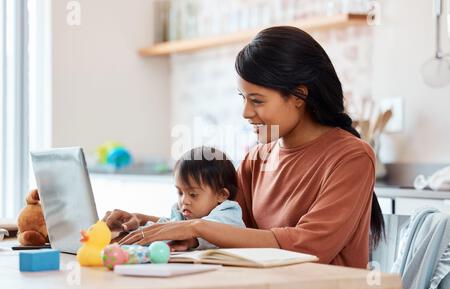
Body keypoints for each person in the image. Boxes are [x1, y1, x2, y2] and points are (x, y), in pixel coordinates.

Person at [28, 26, 384, 268]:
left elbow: (310, 245)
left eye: (257, 100)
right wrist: (149, 224)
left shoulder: (350, 156)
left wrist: (195, 230)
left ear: (300, 96)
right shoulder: (258, 157)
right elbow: (227, 224)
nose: (246, 112)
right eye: (243, 98)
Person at [107, 146, 245, 250]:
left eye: (193, 194)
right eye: (180, 193)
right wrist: (127, 234)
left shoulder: (229, 212)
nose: (184, 201)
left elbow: (216, 230)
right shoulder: (183, 214)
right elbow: (161, 229)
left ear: (221, 195)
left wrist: (191, 240)